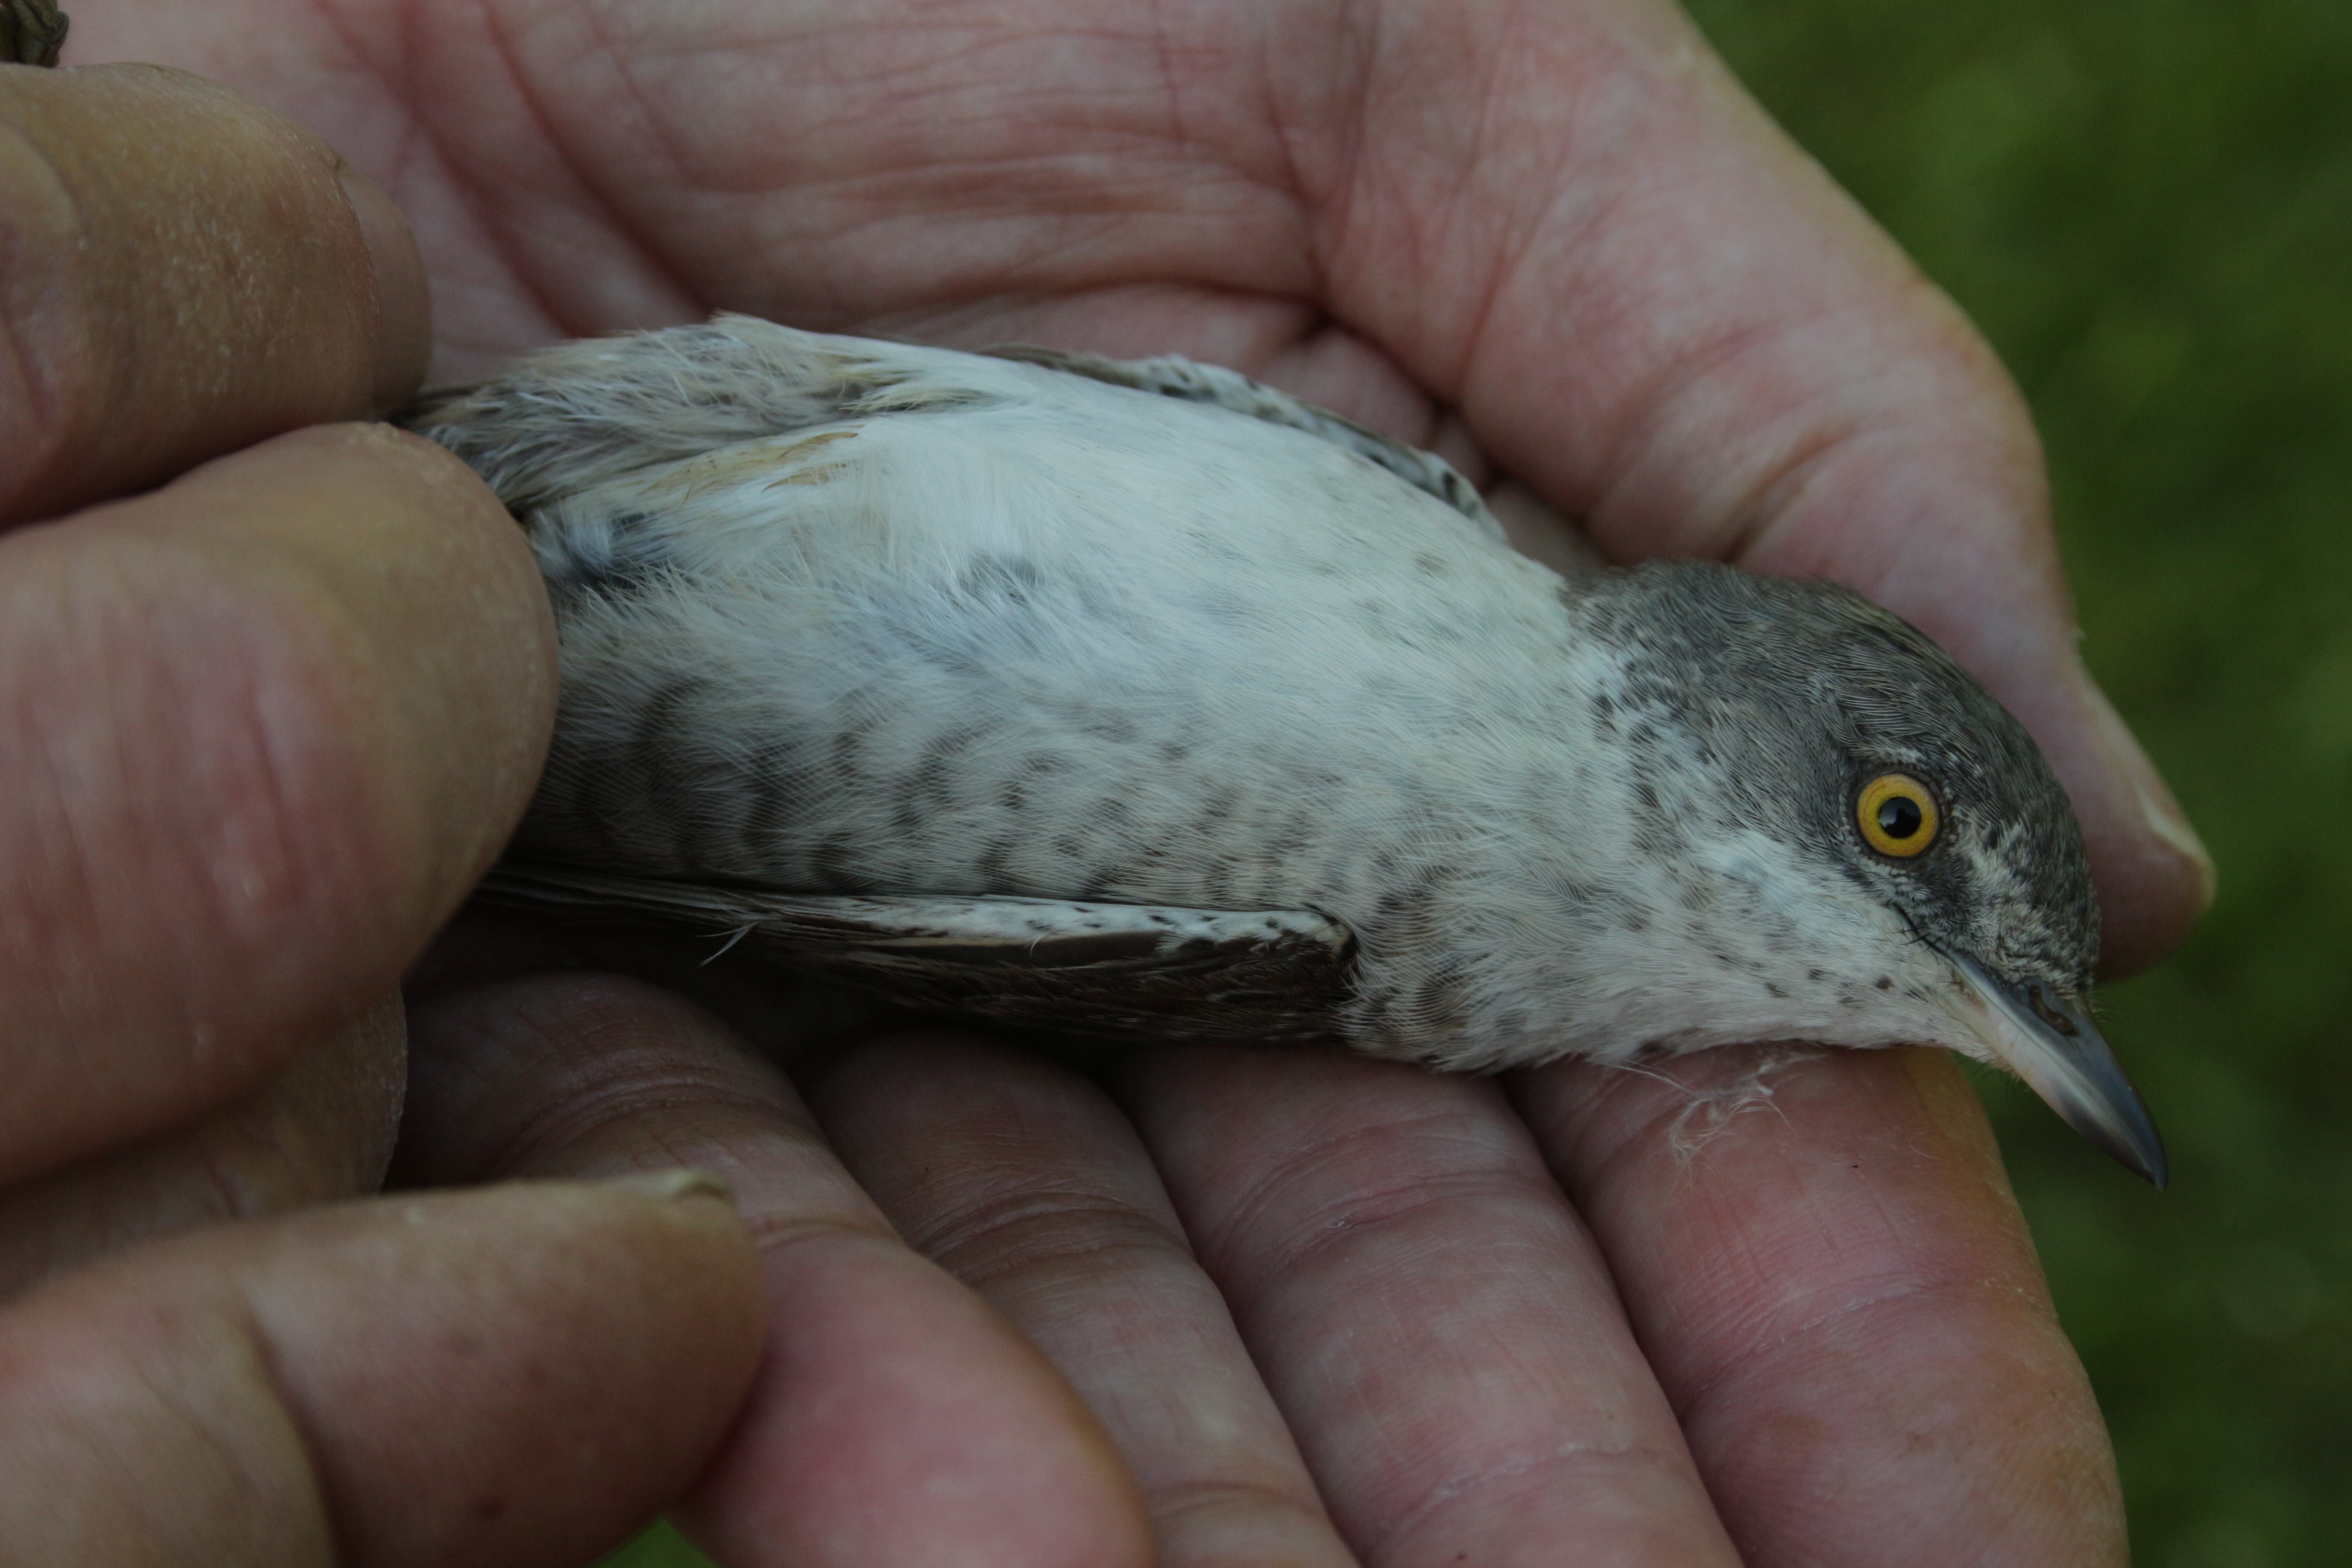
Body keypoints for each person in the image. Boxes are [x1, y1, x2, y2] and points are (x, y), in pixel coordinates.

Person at [0, 1, 2210, 1562]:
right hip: (581, 441)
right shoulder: (1441, 546)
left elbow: (785, 890)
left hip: (450, 634)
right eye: (1893, 834)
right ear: (1760, 704)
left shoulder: (1398, 950)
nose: (1913, 921)